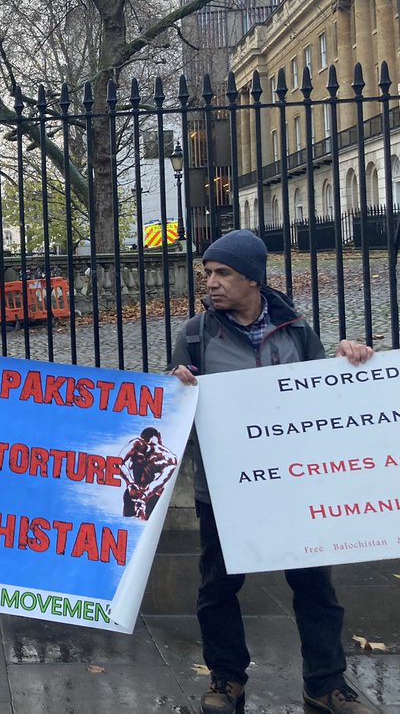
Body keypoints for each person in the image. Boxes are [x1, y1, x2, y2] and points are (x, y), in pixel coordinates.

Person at [169, 229, 378, 714]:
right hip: (221, 489)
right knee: (218, 586)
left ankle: (326, 684)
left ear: (253, 279)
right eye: (208, 273)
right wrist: (177, 386)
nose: (212, 282)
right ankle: (226, 681)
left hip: (294, 487)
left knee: (315, 587)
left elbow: (319, 400)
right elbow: (176, 419)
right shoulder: (196, 334)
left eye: (223, 273)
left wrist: (351, 361)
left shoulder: (298, 330)